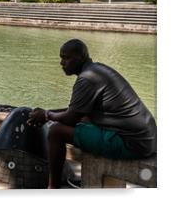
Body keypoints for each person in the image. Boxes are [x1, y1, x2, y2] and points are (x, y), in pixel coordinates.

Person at [27, 39, 156, 189]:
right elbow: (77, 111)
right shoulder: (97, 70)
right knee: (84, 121)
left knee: (56, 131)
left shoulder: (87, 79)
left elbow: (70, 118)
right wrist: (46, 113)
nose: (62, 63)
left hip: (132, 144)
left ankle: (53, 187)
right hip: (146, 138)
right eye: (61, 58)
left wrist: (47, 115)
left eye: (66, 58)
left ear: (80, 57)